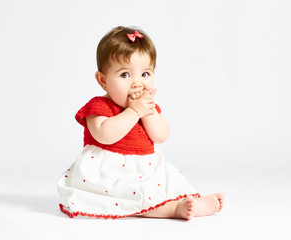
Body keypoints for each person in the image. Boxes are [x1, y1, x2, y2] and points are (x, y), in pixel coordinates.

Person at [57, 26, 225, 220]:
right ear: (102, 80)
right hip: (109, 173)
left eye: (145, 74)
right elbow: (104, 134)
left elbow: (161, 136)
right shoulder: (99, 106)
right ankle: (173, 209)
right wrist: (134, 111)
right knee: (133, 196)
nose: (137, 83)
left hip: (145, 168)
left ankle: (188, 200)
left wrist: (147, 113)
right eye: (125, 75)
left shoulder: (147, 107)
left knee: (165, 184)